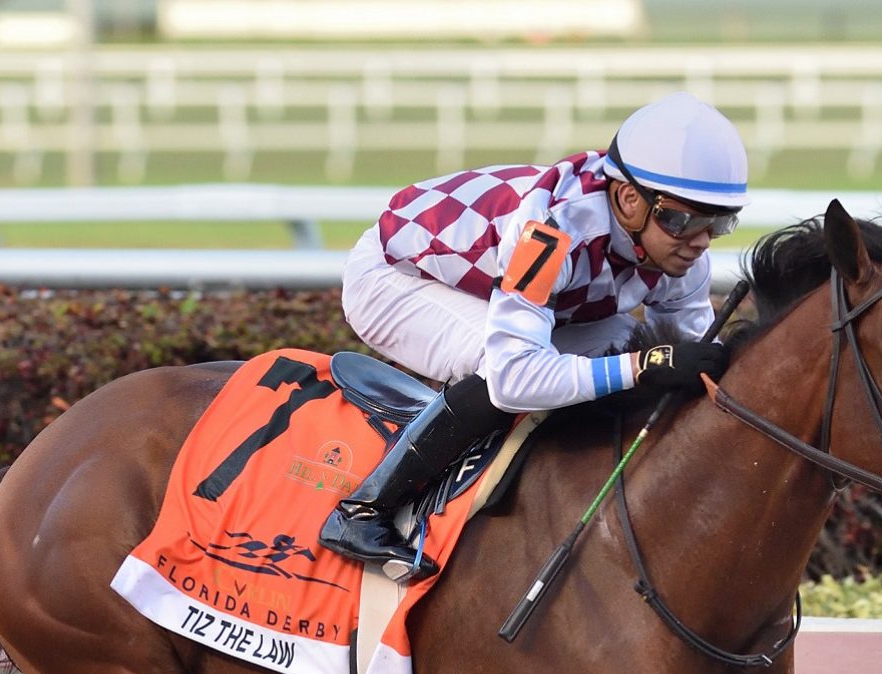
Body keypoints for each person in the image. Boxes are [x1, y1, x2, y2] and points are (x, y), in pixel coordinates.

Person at [321, 91, 749, 579]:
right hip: (394, 278)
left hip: (502, 284)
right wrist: (642, 366)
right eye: (684, 220)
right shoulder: (549, 233)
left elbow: (696, 360)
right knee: (503, 365)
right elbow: (514, 379)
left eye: (719, 223)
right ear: (630, 200)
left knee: (620, 354)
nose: (700, 241)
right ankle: (363, 511)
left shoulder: (679, 252)